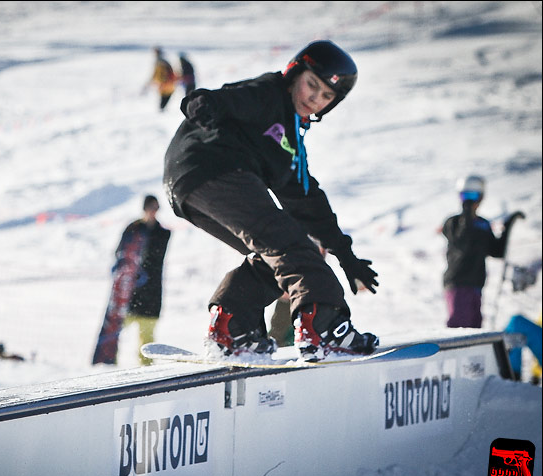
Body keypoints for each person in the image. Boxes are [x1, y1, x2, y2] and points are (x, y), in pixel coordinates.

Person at [163, 40, 379, 361]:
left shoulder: (290, 141)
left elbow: (308, 201)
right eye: (311, 85)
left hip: (191, 188)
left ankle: (232, 327)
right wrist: (203, 107)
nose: (314, 99)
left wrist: (346, 256)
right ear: (295, 73)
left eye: (326, 96)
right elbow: (219, 99)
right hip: (212, 168)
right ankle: (323, 327)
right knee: (291, 245)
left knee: (273, 257)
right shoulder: (269, 93)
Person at [441, 174, 524, 328]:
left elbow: (497, 251)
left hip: (476, 286)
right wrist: (467, 215)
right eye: (465, 196)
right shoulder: (452, 222)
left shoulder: (483, 224)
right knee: (459, 330)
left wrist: (507, 227)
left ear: (481, 198)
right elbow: (462, 242)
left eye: (473, 196)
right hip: (458, 284)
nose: (469, 201)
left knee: (475, 331)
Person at [120, 195, 171, 365]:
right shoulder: (133, 229)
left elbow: (155, 258)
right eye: (150, 207)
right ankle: (106, 364)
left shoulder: (162, 233)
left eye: (156, 208)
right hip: (130, 290)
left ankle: (146, 370)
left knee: (147, 334)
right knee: (115, 330)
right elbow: (121, 254)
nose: (153, 212)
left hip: (151, 290)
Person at [143, 46, 177, 112]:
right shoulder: (164, 62)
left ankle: (162, 110)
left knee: (164, 99)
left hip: (165, 84)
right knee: (164, 98)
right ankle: (162, 110)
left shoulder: (160, 63)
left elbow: (158, 74)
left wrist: (153, 80)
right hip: (166, 84)